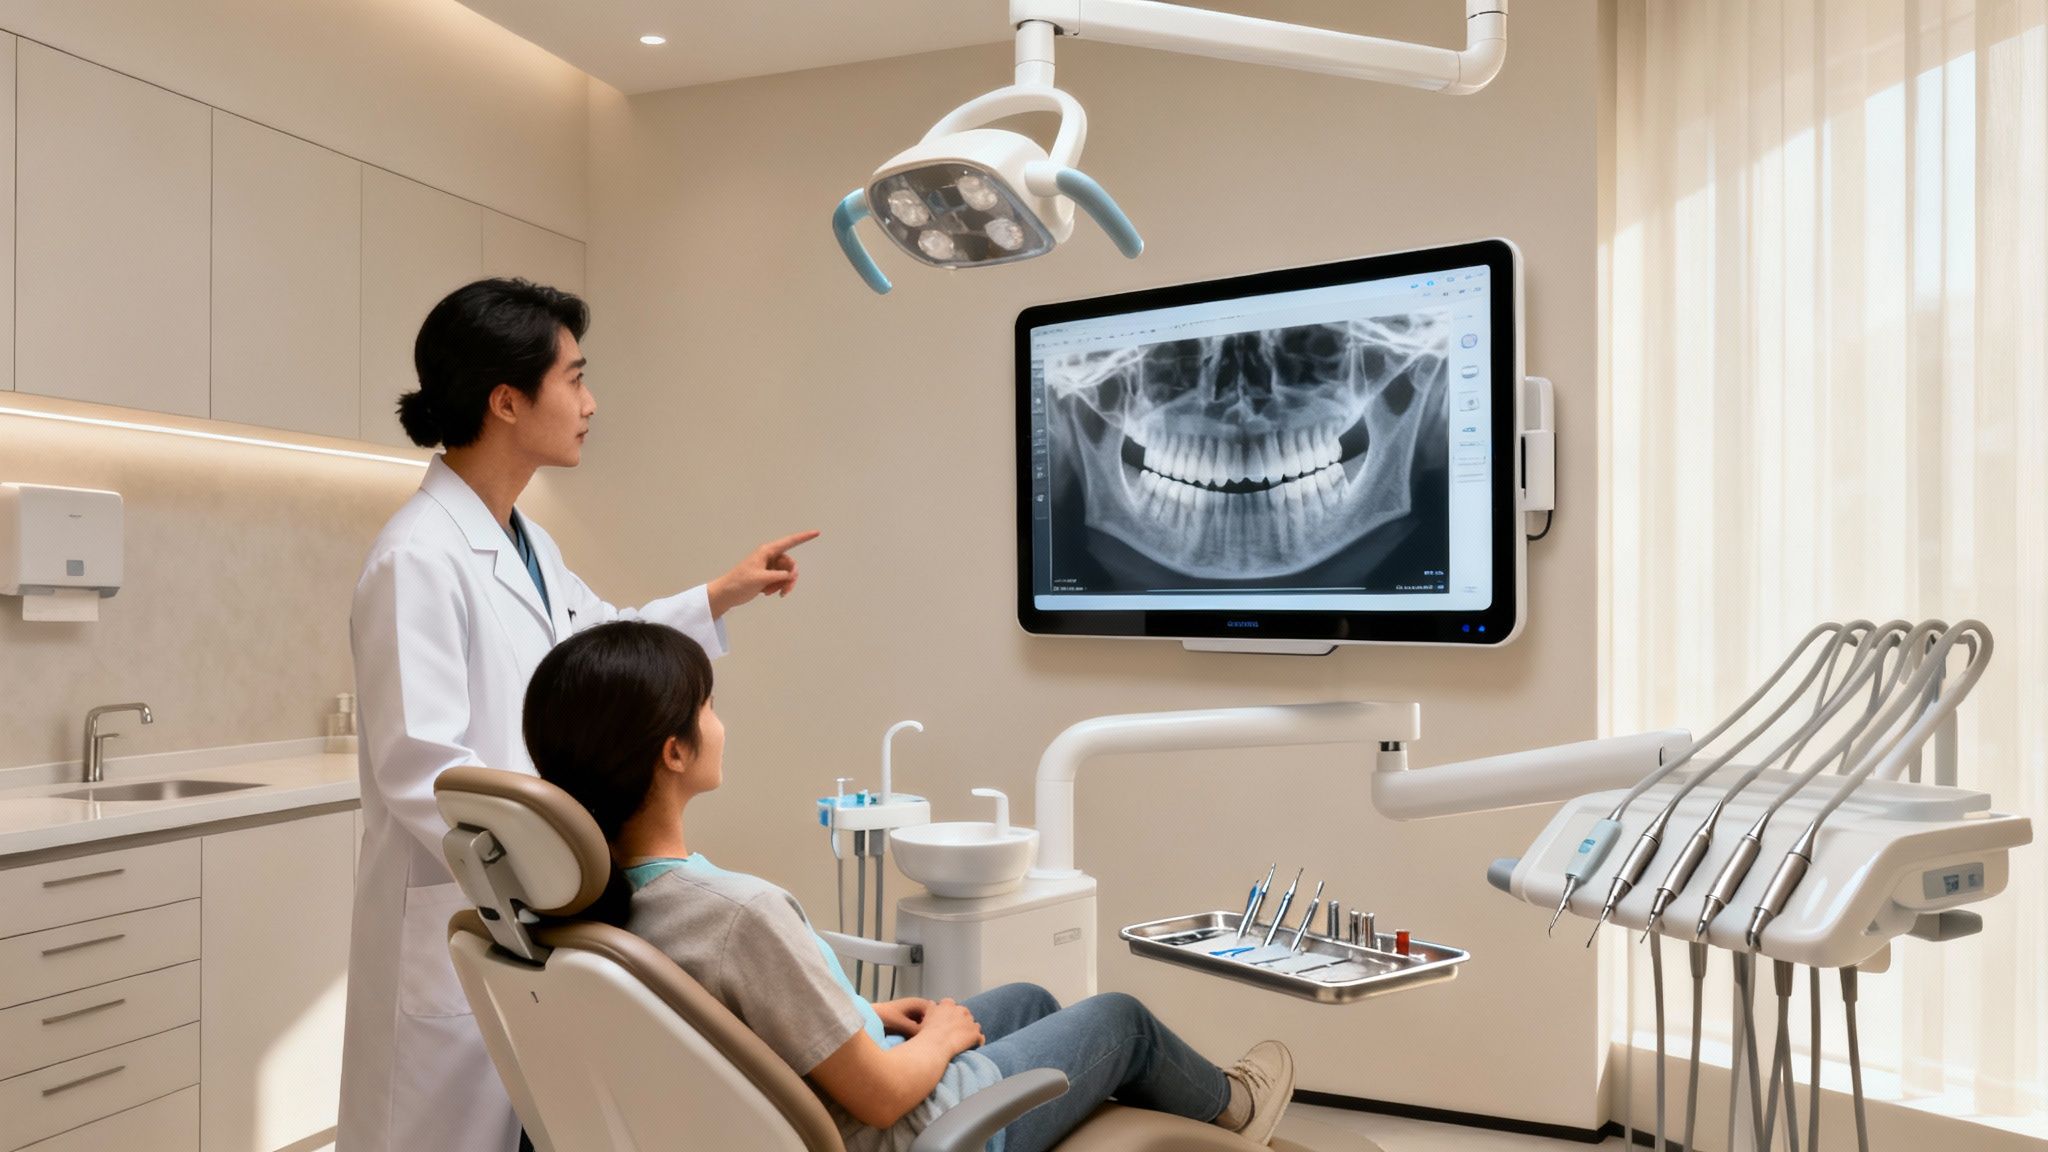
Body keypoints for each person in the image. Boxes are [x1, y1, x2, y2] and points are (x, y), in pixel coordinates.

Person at [339, 279, 818, 1152]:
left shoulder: (523, 540)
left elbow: (600, 643)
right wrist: (577, 875)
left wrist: (722, 594)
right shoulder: (417, 559)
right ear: (508, 401)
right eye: (575, 379)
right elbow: (425, 775)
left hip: (524, 907)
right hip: (470, 909)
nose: (591, 404)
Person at [522, 620, 1298, 1152]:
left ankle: (1109, 1111)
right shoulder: (739, 915)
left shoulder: (604, 906)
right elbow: (886, 1097)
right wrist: (932, 1040)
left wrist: (864, 1013)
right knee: (1121, 1020)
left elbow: (736, 1025)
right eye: (709, 708)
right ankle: (1236, 1108)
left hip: (839, 1097)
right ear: (674, 753)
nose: (720, 723)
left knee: (1026, 999)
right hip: (911, 1129)